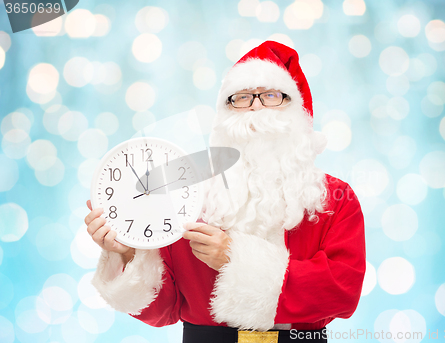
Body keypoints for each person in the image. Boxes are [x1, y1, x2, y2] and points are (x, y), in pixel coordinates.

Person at [85, 41, 366, 343]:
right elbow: (163, 310)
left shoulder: (336, 198)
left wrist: (235, 257)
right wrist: (127, 252)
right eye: (241, 98)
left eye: (271, 95)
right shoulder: (187, 197)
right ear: (223, 116)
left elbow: (342, 292)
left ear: (297, 111)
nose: (256, 106)